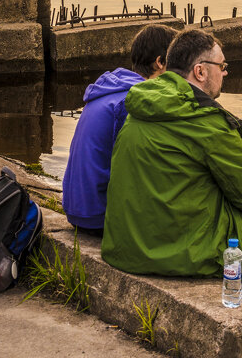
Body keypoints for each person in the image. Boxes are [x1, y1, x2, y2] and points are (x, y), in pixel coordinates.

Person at [102, 28, 242, 315]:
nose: (225, 73)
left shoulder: (140, 105)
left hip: (130, 248)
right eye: (221, 67)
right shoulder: (205, 120)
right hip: (178, 252)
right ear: (199, 71)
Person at [62, 23, 177, 234]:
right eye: (177, 64)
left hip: (78, 209)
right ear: (160, 62)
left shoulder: (112, 89)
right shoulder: (132, 101)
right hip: (98, 216)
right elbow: (134, 171)